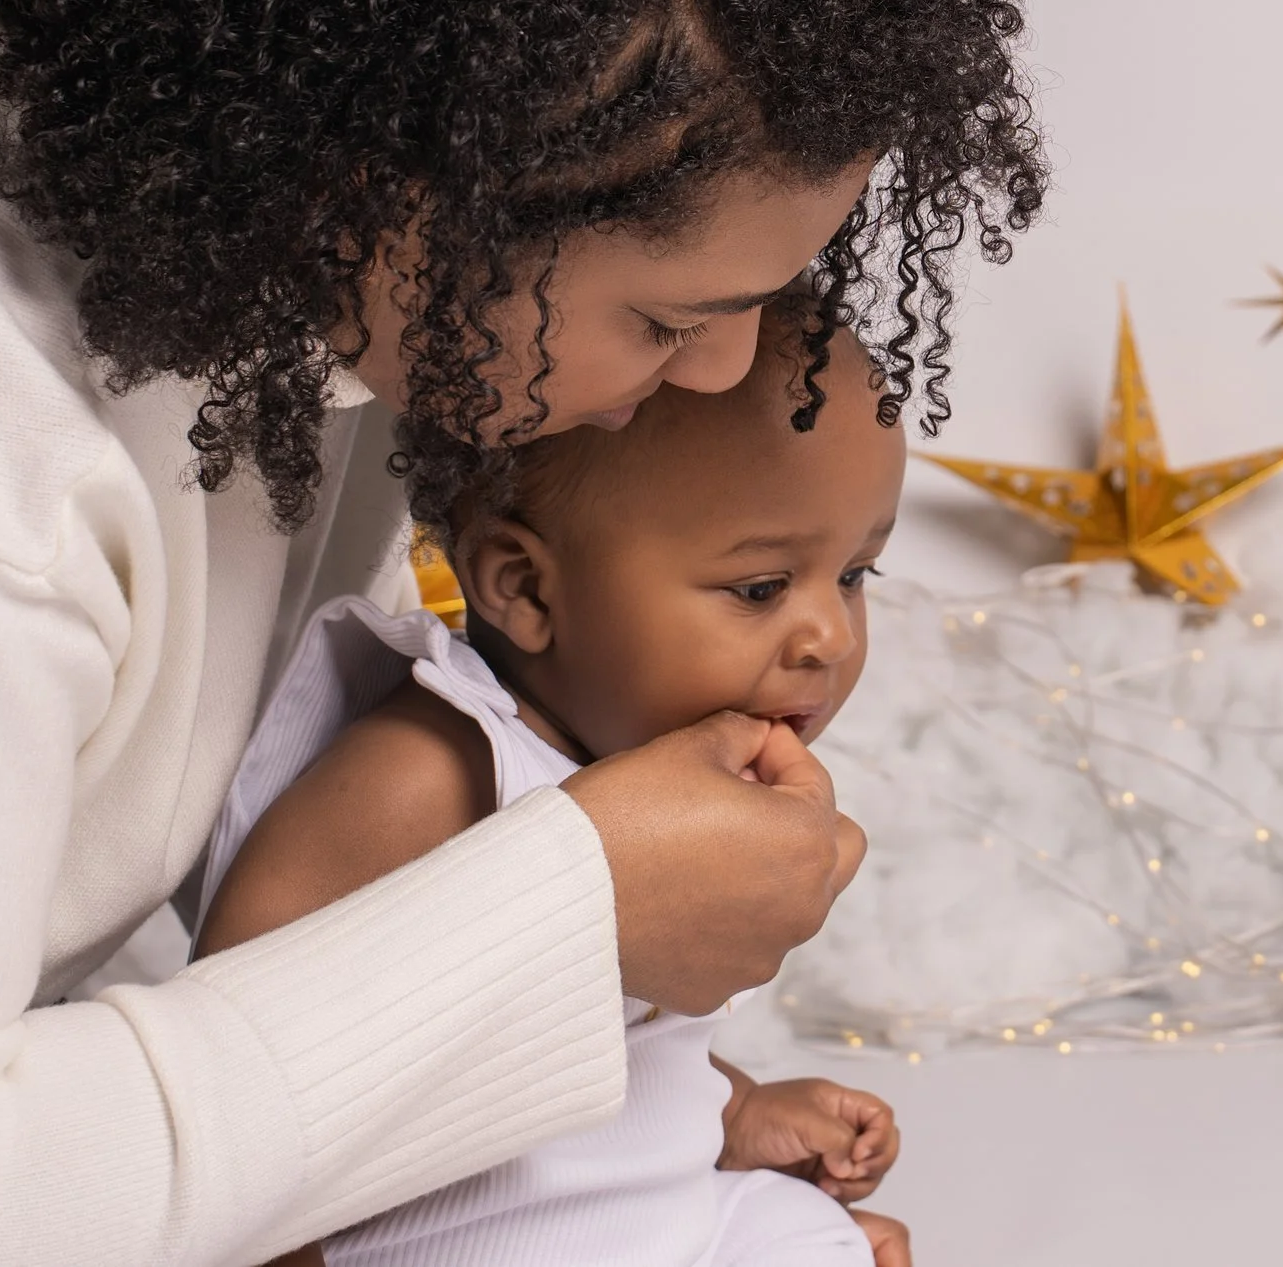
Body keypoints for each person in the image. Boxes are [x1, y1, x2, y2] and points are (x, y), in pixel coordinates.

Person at [0, 0, 1042, 1263]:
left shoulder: (254, 64)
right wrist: (568, 912)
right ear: (388, 185)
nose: (722, 382)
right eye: (668, 320)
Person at [199, 316, 912, 1267]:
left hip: (639, 1228)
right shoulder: (436, 769)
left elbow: (625, 1046)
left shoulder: (656, 781)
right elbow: (239, 1070)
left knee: (836, 1244)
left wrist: (737, 1111)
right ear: (526, 588)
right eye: (762, 586)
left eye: (855, 574)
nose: (831, 635)